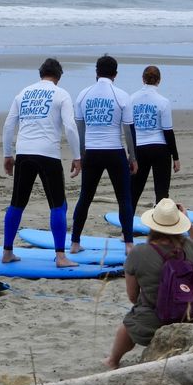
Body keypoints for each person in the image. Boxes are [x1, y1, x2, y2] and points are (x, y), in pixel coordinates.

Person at [104, 198, 193, 368]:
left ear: (152, 225)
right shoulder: (190, 247)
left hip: (152, 322)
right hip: (189, 318)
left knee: (128, 324)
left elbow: (132, 297)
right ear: (180, 224)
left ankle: (112, 361)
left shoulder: (139, 252)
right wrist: (190, 224)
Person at [2, 58, 82, 268]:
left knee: (17, 203)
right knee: (57, 205)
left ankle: (7, 251)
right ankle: (61, 256)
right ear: (58, 76)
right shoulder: (61, 94)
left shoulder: (23, 93)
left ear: (41, 73)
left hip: (24, 153)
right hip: (48, 154)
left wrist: (7, 154)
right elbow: (70, 127)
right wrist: (77, 156)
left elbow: (9, 124)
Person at [70, 55, 138, 254]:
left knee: (85, 197)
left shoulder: (83, 95)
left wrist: (80, 155)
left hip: (91, 152)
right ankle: (129, 244)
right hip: (114, 152)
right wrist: (132, 158)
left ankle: (74, 243)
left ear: (96, 72)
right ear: (115, 74)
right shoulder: (122, 95)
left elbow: (79, 129)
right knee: (124, 198)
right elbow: (128, 130)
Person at [129, 65, 180, 209]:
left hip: (139, 148)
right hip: (160, 149)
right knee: (162, 193)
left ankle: (126, 229)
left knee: (133, 191)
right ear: (159, 80)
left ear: (143, 79)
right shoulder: (163, 101)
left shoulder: (131, 99)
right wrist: (175, 157)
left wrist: (131, 154)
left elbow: (128, 128)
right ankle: (161, 228)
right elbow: (168, 132)